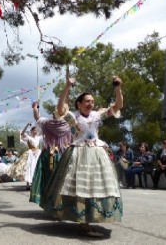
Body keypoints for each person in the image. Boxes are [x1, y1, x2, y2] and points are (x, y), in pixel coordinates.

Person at [40, 75, 124, 237]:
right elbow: (60, 108)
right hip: (78, 153)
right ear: (79, 104)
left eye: (92, 101)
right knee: (79, 187)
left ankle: (91, 217)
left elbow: (119, 105)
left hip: (97, 153)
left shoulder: (98, 115)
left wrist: (118, 87)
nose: (90, 104)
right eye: (86, 101)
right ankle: (82, 222)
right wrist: (67, 86)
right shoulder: (72, 117)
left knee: (96, 186)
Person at [29, 101, 71, 204]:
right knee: (61, 180)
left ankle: (49, 202)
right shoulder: (67, 125)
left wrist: (35, 107)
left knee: (47, 178)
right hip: (62, 154)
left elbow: (37, 117)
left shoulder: (47, 123)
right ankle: (59, 203)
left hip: (47, 154)